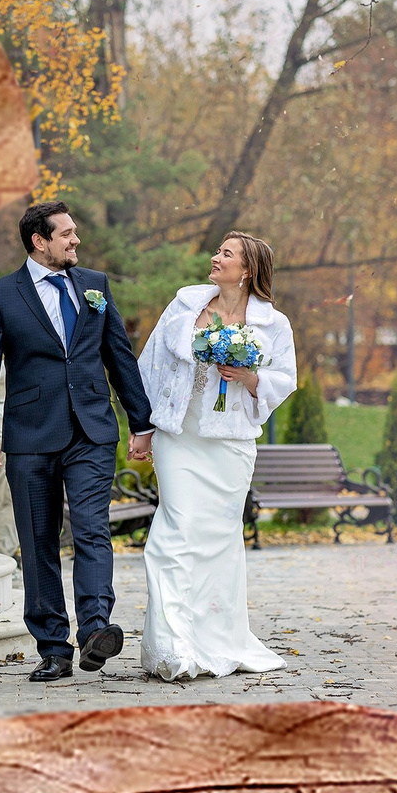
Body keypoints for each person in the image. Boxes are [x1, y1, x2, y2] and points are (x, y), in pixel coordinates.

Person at [0, 202, 157, 682]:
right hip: (30, 436)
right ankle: (53, 648)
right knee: (38, 542)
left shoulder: (95, 285)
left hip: (92, 430)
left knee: (92, 529)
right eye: (67, 233)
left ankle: (94, 629)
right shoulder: (1, 295)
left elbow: (119, 355)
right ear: (39, 241)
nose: (76, 240)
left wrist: (142, 422)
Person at [129, 232, 296, 678]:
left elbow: (285, 378)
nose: (215, 257)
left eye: (226, 253)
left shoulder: (274, 324)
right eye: (218, 251)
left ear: (248, 270)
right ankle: (171, 645)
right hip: (178, 436)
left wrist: (250, 378)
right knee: (175, 531)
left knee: (218, 541)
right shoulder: (185, 305)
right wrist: (142, 427)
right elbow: (151, 365)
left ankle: (216, 638)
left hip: (230, 443)